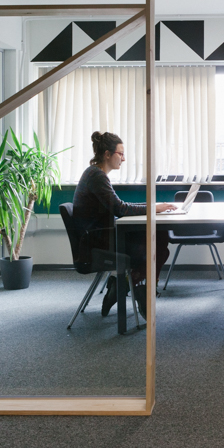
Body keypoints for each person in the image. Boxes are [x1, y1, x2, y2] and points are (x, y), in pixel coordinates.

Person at [71, 131, 176, 318]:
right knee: (159, 244)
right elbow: (120, 209)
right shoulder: (96, 176)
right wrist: (153, 208)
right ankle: (137, 286)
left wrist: (153, 207)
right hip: (98, 243)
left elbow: (120, 206)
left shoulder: (95, 173)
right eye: (120, 153)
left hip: (101, 236)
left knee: (160, 237)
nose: (124, 158)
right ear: (107, 154)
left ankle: (123, 284)